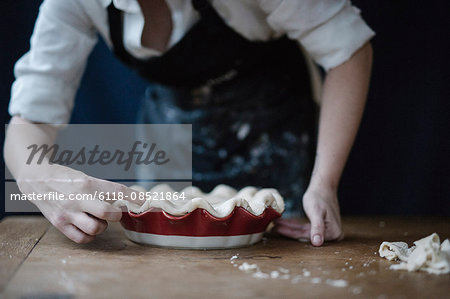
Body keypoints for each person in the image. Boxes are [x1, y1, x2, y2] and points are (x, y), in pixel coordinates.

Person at [4, 0, 374, 246]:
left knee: (274, 261)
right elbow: (31, 117)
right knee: (162, 256)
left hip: (272, 122)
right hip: (170, 124)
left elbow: (349, 49)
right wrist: (36, 177)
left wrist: (324, 184)